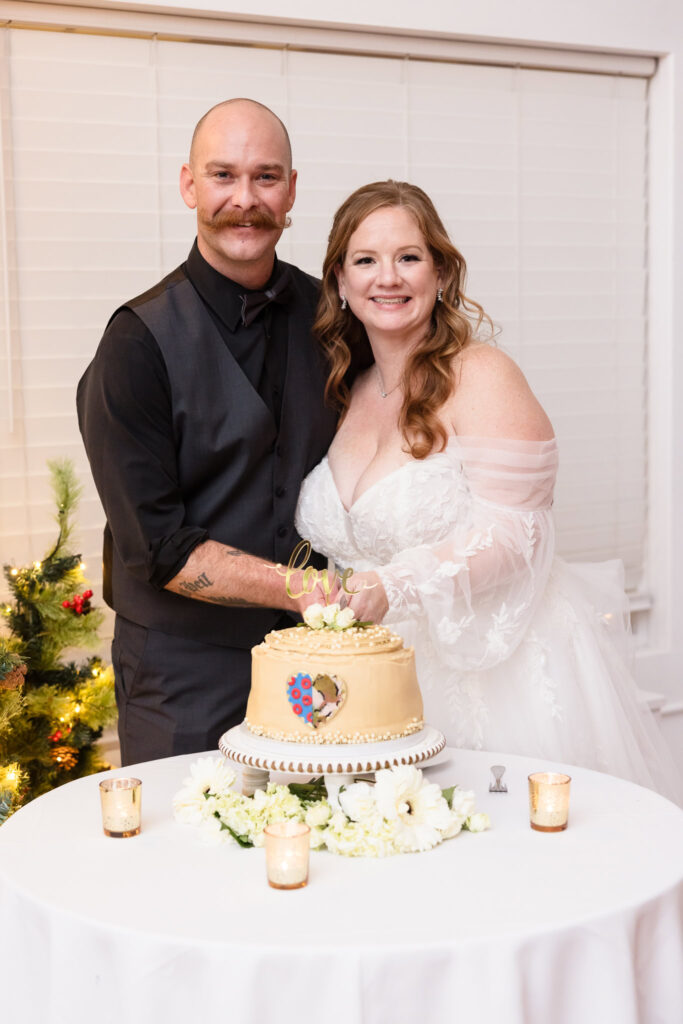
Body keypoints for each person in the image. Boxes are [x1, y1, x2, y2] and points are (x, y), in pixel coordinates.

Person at [295, 179, 683, 804]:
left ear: (441, 272)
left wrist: (393, 585)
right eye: (365, 260)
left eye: (409, 257)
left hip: (493, 678)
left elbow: (517, 532)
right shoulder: (348, 390)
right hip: (376, 679)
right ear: (341, 282)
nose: (387, 277)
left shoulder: (482, 375)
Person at [77, 99, 336, 766]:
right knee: (182, 859)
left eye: (265, 177)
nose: (244, 200)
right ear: (189, 184)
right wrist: (312, 592)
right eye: (223, 176)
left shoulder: (333, 320)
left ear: (291, 190)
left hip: (312, 665)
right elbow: (158, 549)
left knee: (317, 849)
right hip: (180, 673)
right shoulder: (135, 344)